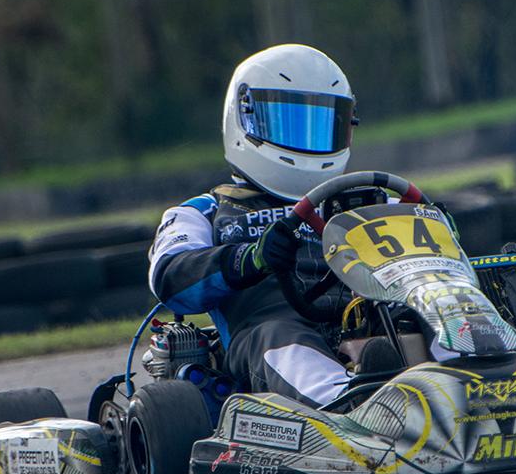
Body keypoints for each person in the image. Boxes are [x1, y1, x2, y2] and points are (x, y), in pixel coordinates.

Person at [147, 44, 365, 407]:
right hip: (269, 335)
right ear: (243, 118)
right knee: (278, 335)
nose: (306, 143)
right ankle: (351, 406)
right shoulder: (205, 212)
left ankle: (476, 379)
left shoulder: (365, 200)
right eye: (289, 124)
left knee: (424, 313)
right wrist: (246, 259)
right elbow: (170, 277)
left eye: (320, 127)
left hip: (365, 321)